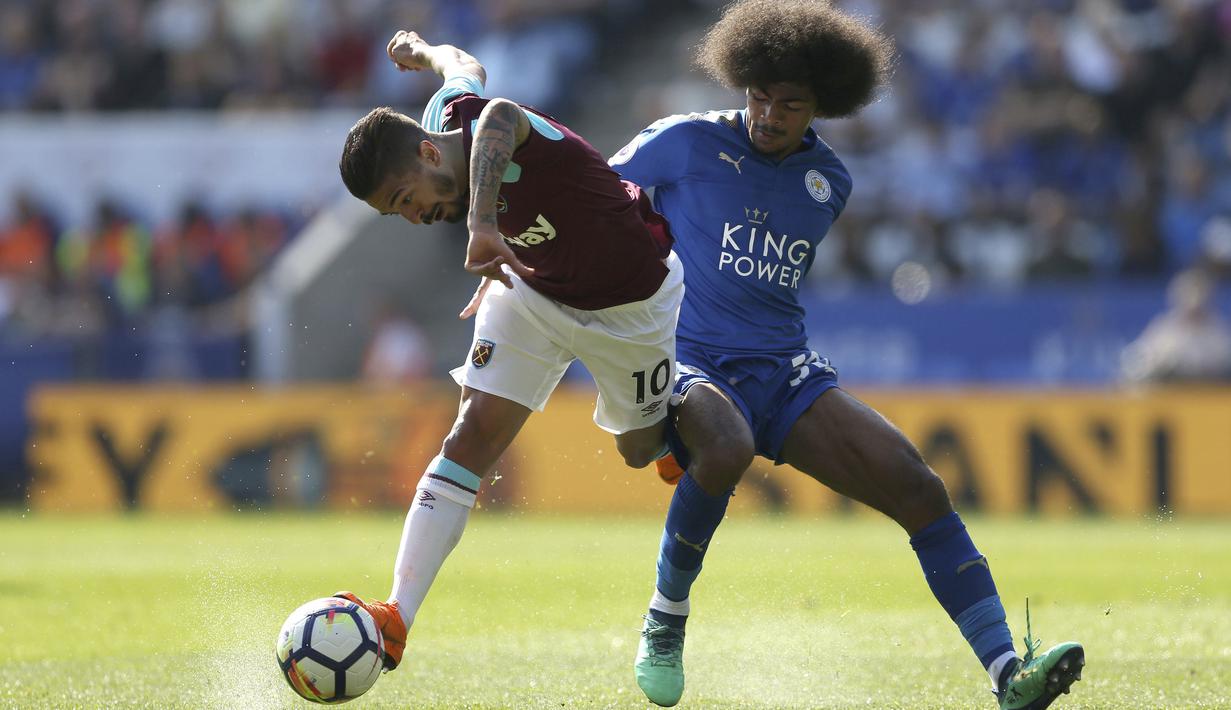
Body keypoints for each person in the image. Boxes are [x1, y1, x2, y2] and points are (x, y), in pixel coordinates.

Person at [608, 2, 1084, 708]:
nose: (768, 115)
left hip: (784, 371)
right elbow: (596, 197)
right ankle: (665, 620)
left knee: (918, 486)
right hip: (692, 360)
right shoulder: (681, 142)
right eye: (758, 97)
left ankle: (1006, 674)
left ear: (821, 106)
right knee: (728, 444)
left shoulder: (828, 183)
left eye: (789, 104)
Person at [333, 30, 683, 673]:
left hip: (631, 306)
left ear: (428, 151)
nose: (414, 217)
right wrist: (424, 52)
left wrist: (485, 225)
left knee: (641, 451)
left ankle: (667, 424)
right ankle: (396, 619)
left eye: (406, 198)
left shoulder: (476, 133)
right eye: (397, 213)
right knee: (470, 435)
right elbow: (464, 67)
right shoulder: (440, 117)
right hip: (531, 290)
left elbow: (499, 113)